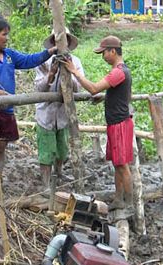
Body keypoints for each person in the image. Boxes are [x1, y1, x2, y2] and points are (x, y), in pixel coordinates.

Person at [64, 35, 134, 212]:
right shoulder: (121, 71)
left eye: (104, 53)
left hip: (119, 124)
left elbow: (94, 88)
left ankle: (130, 204)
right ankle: (119, 199)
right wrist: (105, 97)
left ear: (112, 51)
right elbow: (116, 93)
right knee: (118, 164)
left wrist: (75, 72)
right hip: (117, 122)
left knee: (122, 165)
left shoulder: (118, 72)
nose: (103, 56)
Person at [0, 12, 57, 175]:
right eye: (4, 34)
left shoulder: (9, 55)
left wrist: (50, 51)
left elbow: (29, 60)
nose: (7, 38)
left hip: (7, 109)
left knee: (2, 146)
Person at [34, 29, 84, 192]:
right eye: (58, 42)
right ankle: (46, 184)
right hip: (46, 114)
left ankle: (60, 172)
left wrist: (69, 71)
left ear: (68, 43)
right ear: (54, 44)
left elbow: (78, 88)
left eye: (64, 42)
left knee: (62, 150)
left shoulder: (75, 62)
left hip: (63, 113)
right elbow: (39, 88)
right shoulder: (44, 61)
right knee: (46, 152)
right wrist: (51, 74)